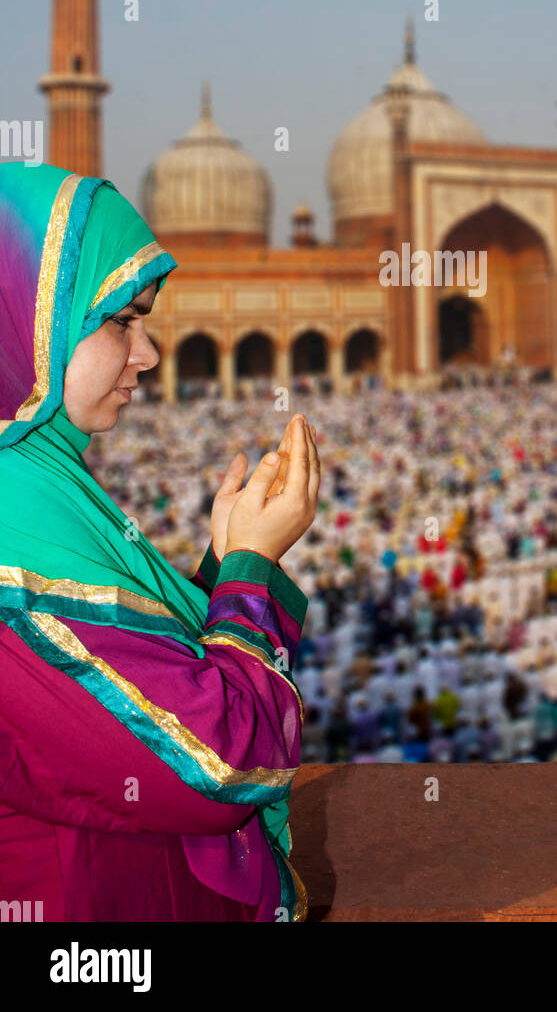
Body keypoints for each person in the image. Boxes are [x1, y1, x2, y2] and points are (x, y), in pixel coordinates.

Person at [0, 163, 320, 922]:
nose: (147, 355)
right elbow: (214, 765)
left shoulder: (38, 479)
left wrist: (219, 568)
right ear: (31, 314)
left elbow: (127, 676)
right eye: (120, 321)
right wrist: (251, 570)